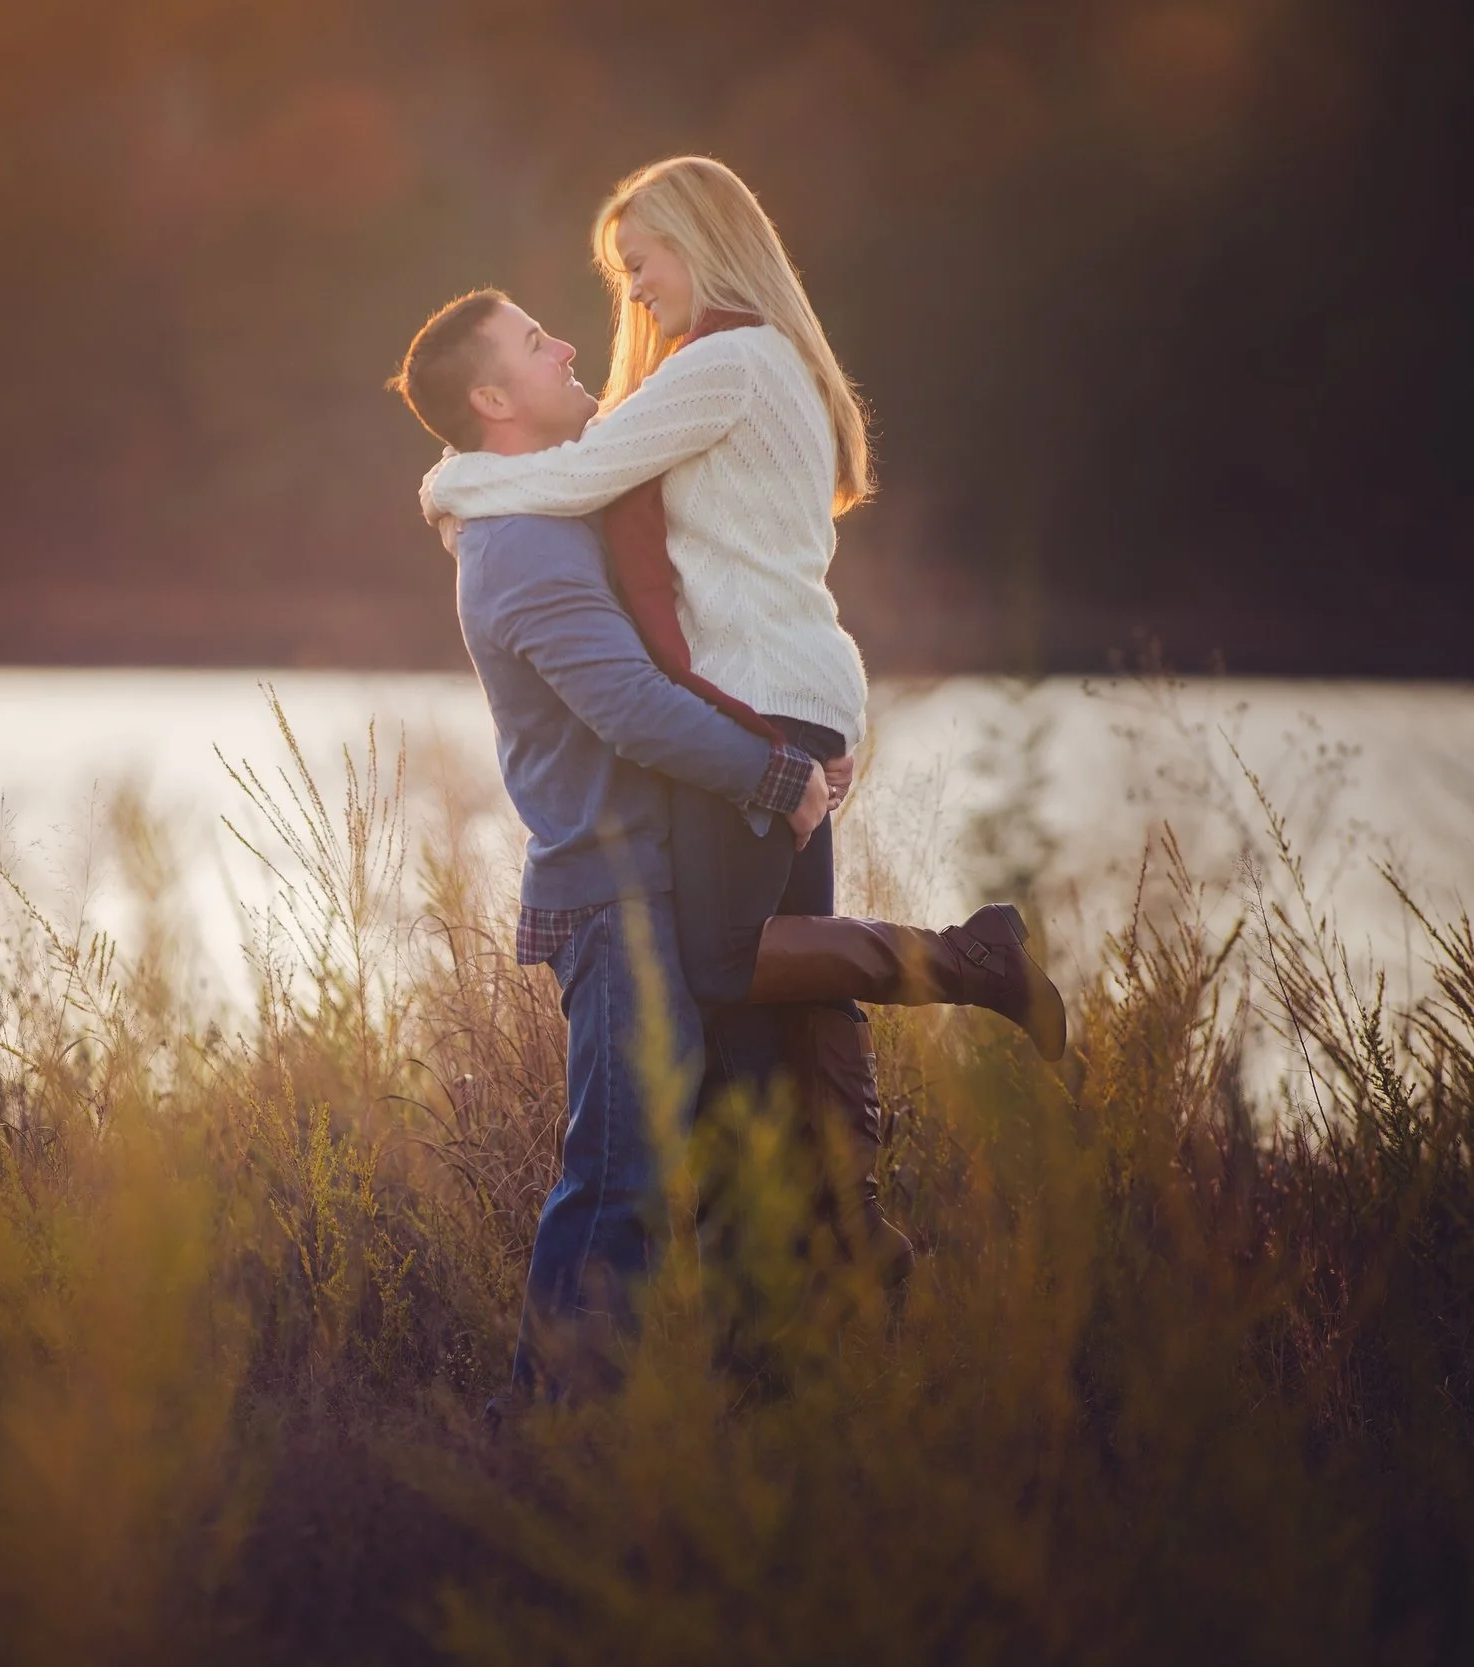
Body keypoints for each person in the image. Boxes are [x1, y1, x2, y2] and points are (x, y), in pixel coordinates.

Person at [393, 277, 1062, 1403]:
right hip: (616, 890)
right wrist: (774, 771)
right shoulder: (517, 546)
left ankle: (780, 1349)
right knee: (620, 1176)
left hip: (669, 865)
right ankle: (556, 1421)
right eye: (532, 340)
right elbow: (631, 706)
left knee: (731, 1130)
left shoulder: (554, 505)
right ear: (491, 396)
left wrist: (782, 720)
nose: (566, 344)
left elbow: (684, 629)